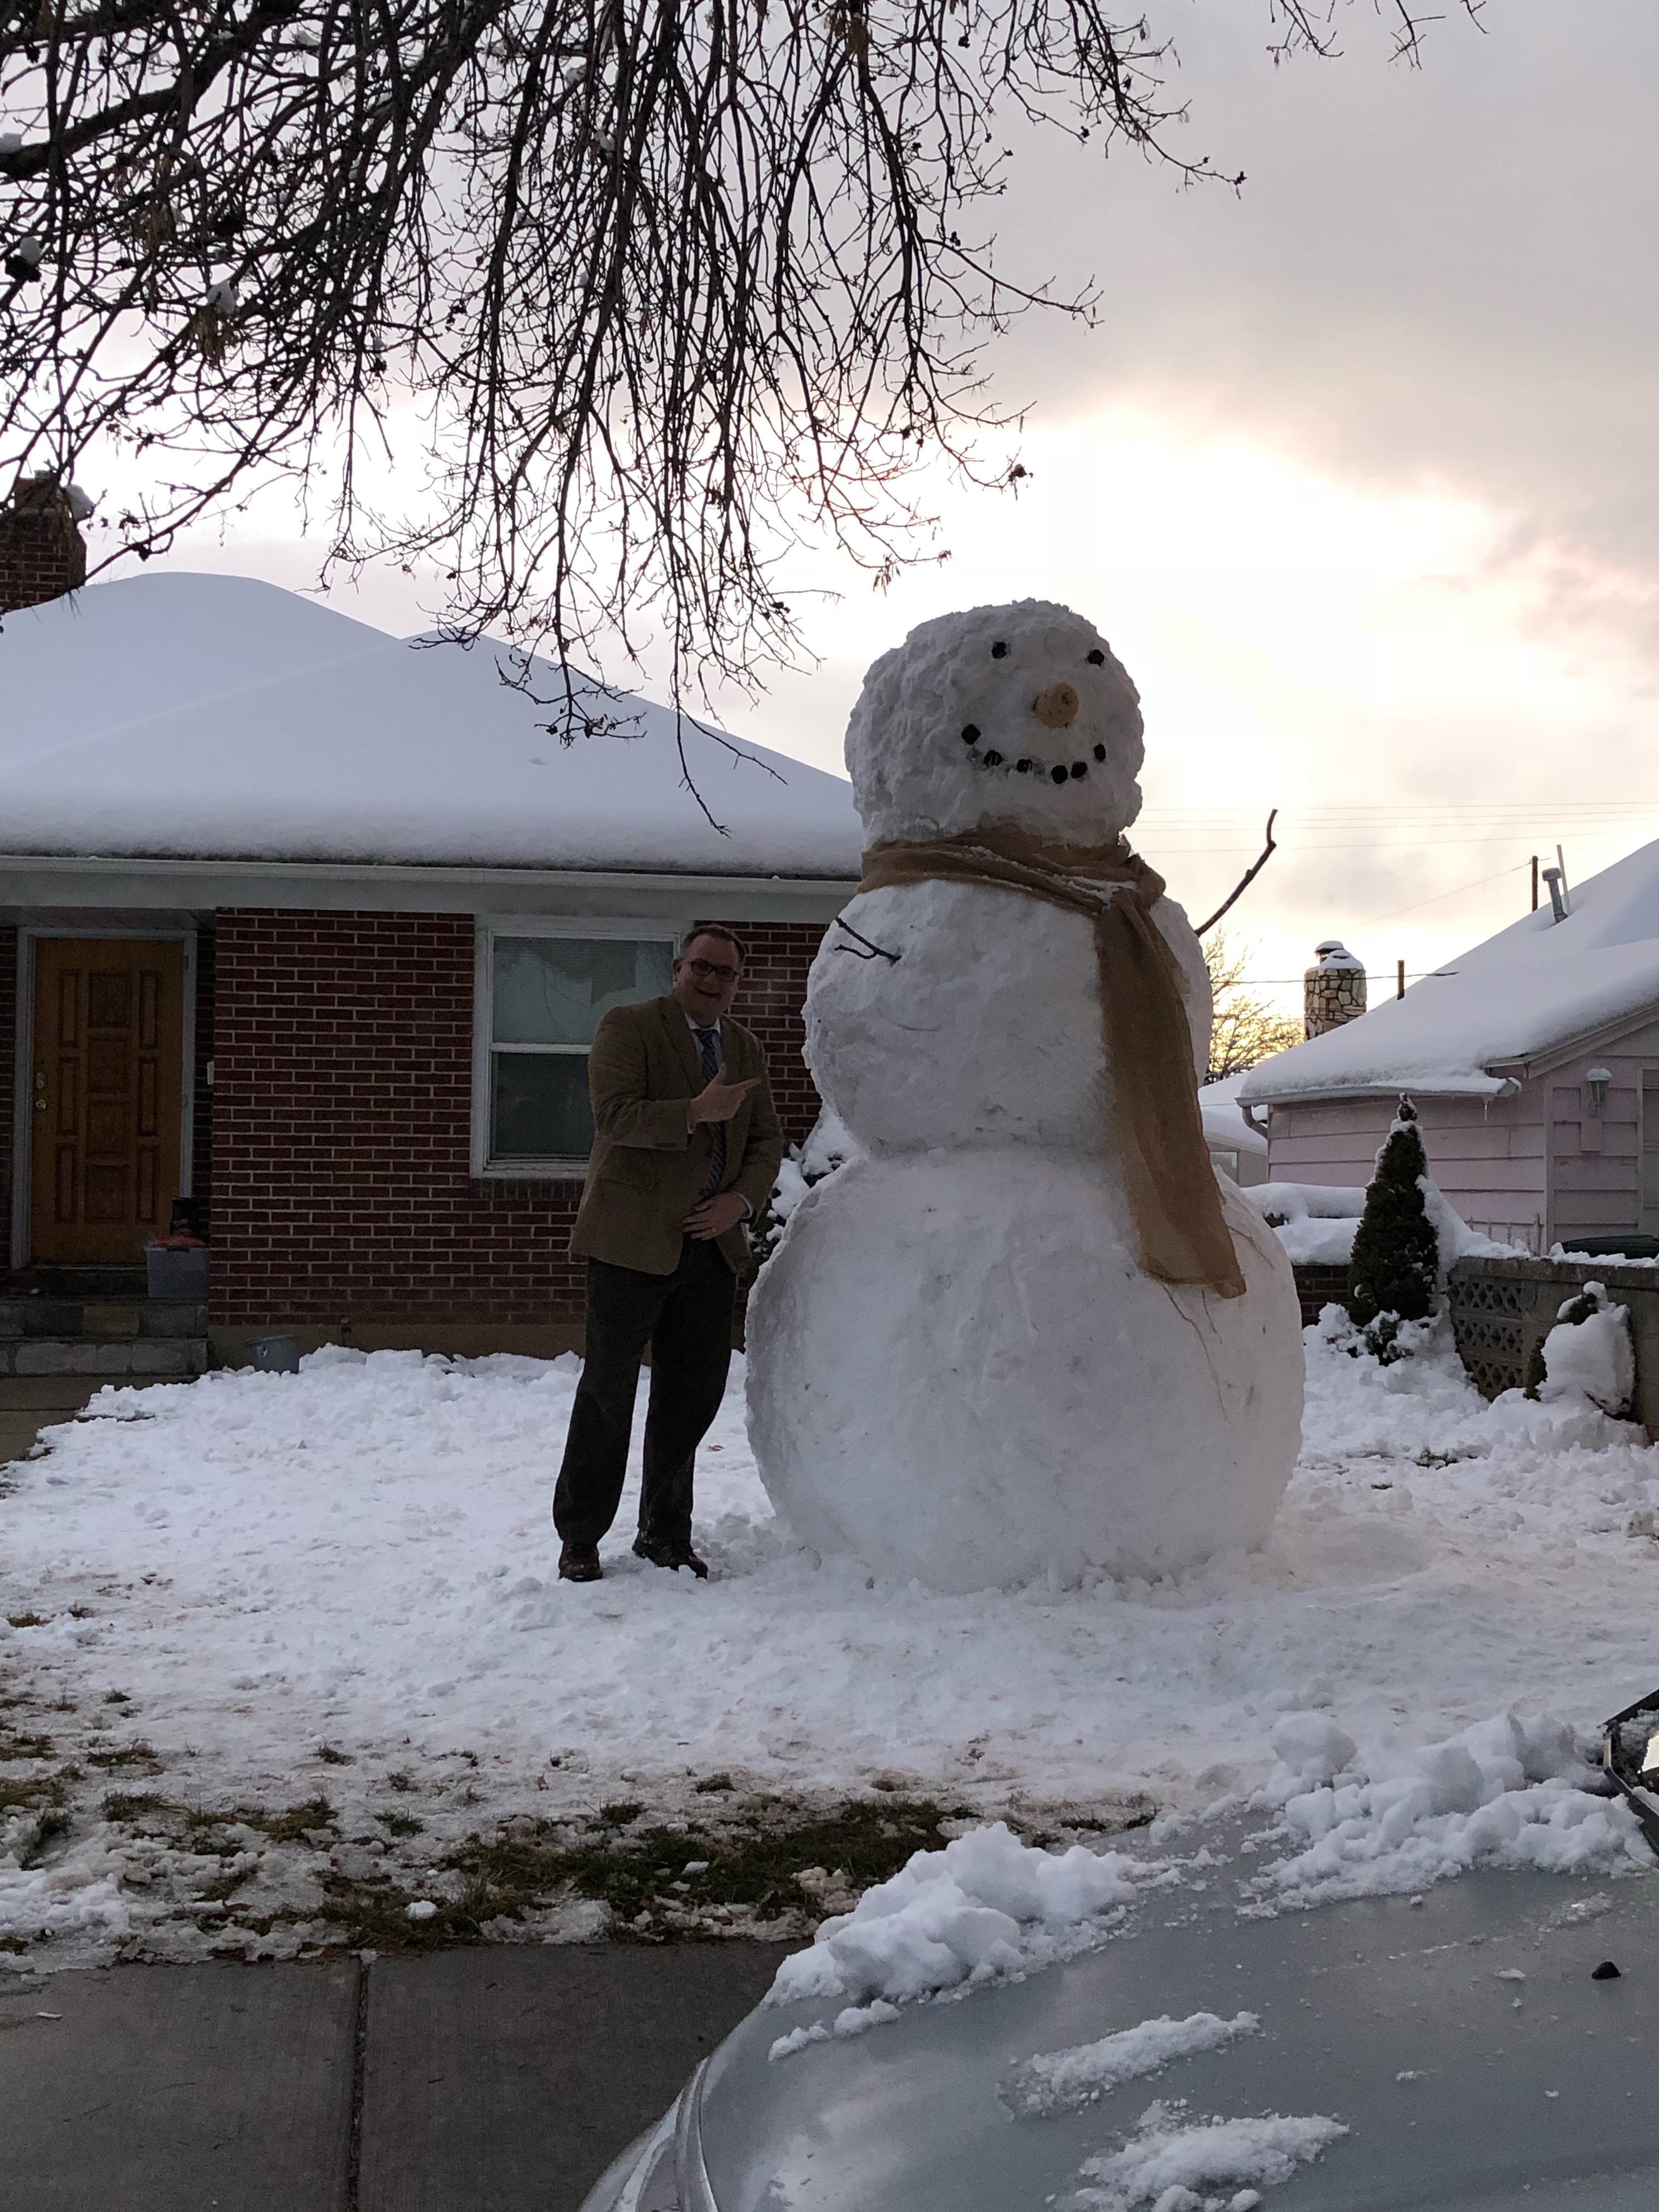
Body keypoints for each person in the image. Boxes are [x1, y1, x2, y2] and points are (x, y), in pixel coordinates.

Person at [554, 926, 785, 1582]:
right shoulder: (628, 1028)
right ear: (678, 967)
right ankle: (579, 1537)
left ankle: (664, 1533)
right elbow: (616, 1117)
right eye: (702, 968)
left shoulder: (743, 1047)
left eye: (727, 973)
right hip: (630, 1241)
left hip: (709, 1247)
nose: (712, 981)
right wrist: (694, 1110)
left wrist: (739, 1202)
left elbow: (766, 1139)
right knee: (608, 1392)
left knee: (691, 1396)